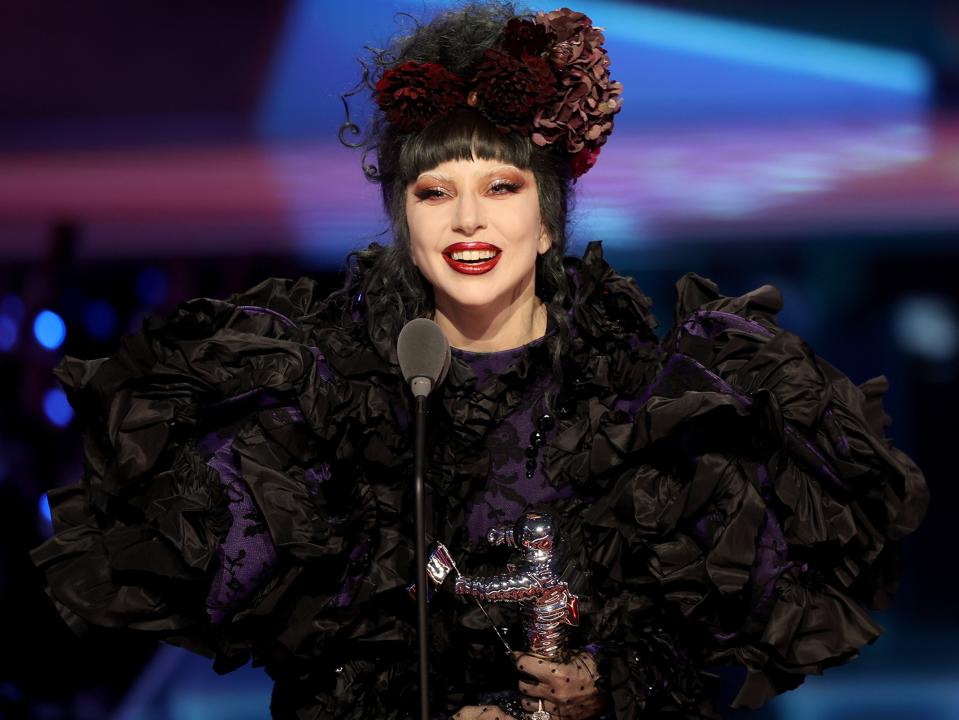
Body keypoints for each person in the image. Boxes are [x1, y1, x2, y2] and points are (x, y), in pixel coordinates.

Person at [32, 3, 929, 719]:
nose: (468, 223)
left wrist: (601, 690)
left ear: (547, 218)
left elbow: (698, 658)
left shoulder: (654, 411)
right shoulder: (315, 411)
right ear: (402, 221)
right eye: (435, 192)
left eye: (500, 188)